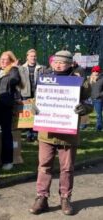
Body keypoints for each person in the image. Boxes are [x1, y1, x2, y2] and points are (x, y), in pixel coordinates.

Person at [29, 50, 92, 216]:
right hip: (46, 132)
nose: (58, 64)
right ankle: (41, 198)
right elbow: (38, 98)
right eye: (56, 61)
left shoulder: (79, 81)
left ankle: (65, 198)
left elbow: (89, 102)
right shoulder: (44, 77)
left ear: (70, 63)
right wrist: (34, 106)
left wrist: (84, 108)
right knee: (44, 166)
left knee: (67, 168)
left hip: (67, 133)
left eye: (62, 62)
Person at [0, 51, 22, 171]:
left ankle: (7, 161)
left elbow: (15, 80)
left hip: (6, 107)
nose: (3, 61)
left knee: (6, 134)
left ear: (11, 60)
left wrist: (14, 67)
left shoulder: (13, 72)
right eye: (1, 59)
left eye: (6, 59)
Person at [19, 49, 45, 142]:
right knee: (28, 116)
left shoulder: (41, 68)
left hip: (38, 94)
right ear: (27, 57)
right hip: (26, 94)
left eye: (34, 56)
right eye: (31, 56)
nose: (33, 58)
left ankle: (36, 134)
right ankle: (29, 134)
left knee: (37, 114)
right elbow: (19, 83)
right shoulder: (21, 68)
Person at [90, 65, 103, 131]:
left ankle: (99, 127)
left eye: (97, 71)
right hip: (92, 99)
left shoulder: (102, 79)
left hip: (99, 99)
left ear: (99, 71)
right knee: (97, 114)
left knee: (98, 114)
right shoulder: (91, 78)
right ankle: (99, 126)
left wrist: (99, 95)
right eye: (94, 71)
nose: (95, 72)